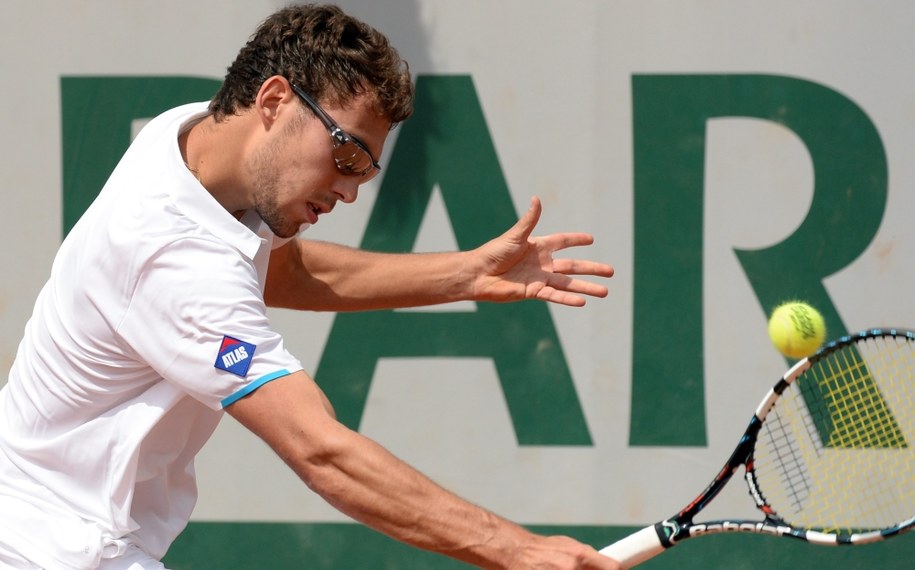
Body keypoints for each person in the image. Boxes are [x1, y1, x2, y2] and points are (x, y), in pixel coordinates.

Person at [0, 4, 618, 569]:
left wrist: (464, 275)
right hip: (60, 549)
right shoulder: (174, 258)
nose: (350, 189)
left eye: (367, 171)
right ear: (274, 101)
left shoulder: (188, 138)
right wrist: (516, 550)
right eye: (346, 155)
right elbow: (321, 451)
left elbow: (289, 271)